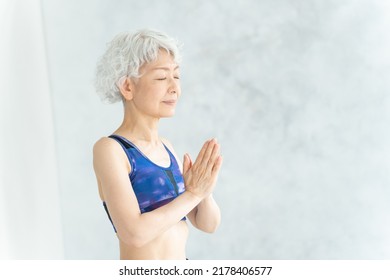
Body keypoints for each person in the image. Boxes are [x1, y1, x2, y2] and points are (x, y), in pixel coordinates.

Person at [92, 29, 223, 260]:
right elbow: (134, 233)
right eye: (162, 77)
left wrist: (205, 193)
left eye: (177, 76)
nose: (174, 87)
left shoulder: (167, 147)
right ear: (127, 87)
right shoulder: (111, 150)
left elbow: (208, 224)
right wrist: (192, 194)